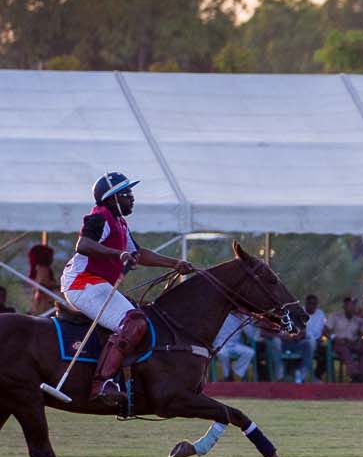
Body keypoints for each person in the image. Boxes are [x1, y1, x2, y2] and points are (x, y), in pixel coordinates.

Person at [58, 172, 194, 401]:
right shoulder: (99, 217)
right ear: (112, 198)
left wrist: (174, 263)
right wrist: (118, 254)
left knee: (143, 317)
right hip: (82, 283)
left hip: (98, 285)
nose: (132, 198)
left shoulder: (120, 222)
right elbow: (84, 245)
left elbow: (138, 254)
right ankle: (102, 384)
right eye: (127, 194)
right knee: (134, 321)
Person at [326, 296, 363, 381]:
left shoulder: (358, 320)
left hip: (353, 343)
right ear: (344, 306)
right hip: (339, 342)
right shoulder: (335, 316)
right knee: (344, 349)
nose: (353, 307)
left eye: (354, 305)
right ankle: (354, 374)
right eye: (351, 305)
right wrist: (334, 338)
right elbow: (325, 331)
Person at [211, 312, 256, 381]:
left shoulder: (241, 316)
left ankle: (237, 375)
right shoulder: (222, 313)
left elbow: (251, 335)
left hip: (234, 345)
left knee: (250, 352)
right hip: (220, 344)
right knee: (222, 353)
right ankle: (227, 376)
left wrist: (244, 319)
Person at [27, 241, 57, 315]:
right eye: (51, 256)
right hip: (44, 302)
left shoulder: (36, 269)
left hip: (40, 301)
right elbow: (42, 284)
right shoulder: (43, 269)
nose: (52, 258)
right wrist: (59, 285)